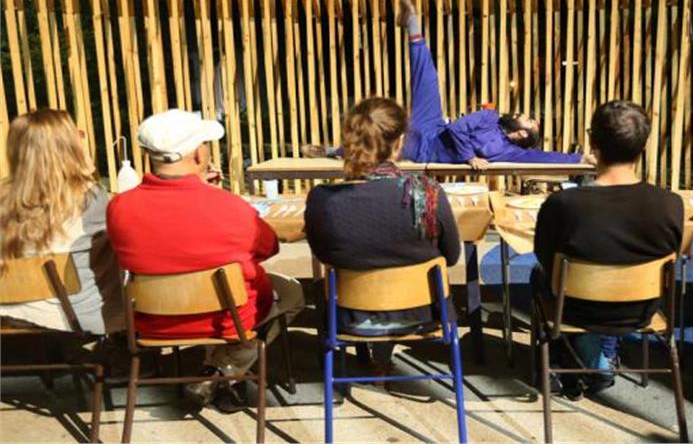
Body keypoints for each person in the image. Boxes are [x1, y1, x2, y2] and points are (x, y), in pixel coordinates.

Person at [107, 109, 304, 410]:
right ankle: (224, 370)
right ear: (199, 154)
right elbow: (268, 248)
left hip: (154, 321)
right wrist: (210, 192)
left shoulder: (119, 207)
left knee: (222, 290)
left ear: (148, 155)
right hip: (226, 319)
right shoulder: (230, 207)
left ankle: (219, 370)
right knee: (292, 293)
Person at [303, 0, 590, 170]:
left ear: (524, 134)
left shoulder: (510, 152)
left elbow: (544, 157)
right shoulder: (491, 117)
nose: (521, 114)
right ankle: (412, 24)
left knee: (382, 145)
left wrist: (579, 158)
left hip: (424, 149)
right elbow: (457, 128)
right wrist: (469, 157)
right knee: (428, 78)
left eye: (527, 119)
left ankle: (329, 150)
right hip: (435, 126)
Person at [533, 100, 686, 399]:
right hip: (641, 310)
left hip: (576, 309)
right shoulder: (671, 204)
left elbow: (545, 256)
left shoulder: (563, 204)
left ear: (593, 142)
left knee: (540, 275)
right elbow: (672, 254)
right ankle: (598, 362)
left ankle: (571, 364)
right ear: (643, 145)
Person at [305, 97, 461, 372]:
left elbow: (323, 254)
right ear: (399, 143)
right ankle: (382, 359)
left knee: (323, 285)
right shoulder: (428, 194)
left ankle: (366, 360)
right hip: (424, 315)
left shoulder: (323, 199)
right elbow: (451, 256)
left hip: (349, 319)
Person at [0, 109, 123, 336]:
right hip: (72, 318)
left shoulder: (3, 199)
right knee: (118, 249)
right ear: (69, 146)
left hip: (9, 315)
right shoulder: (90, 197)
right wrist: (87, 169)